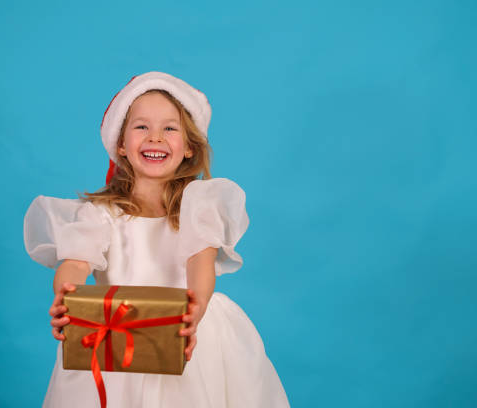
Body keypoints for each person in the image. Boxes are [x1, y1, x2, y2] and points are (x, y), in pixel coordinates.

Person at [23, 71, 290, 407]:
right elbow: (76, 262)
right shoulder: (100, 213)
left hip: (184, 329)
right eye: (141, 127)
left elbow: (200, 261)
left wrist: (197, 307)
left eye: (169, 128)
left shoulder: (198, 206)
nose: (156, 137)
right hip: (116, 335)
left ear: (189, 146)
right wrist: (66, 295)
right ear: (121, 144)